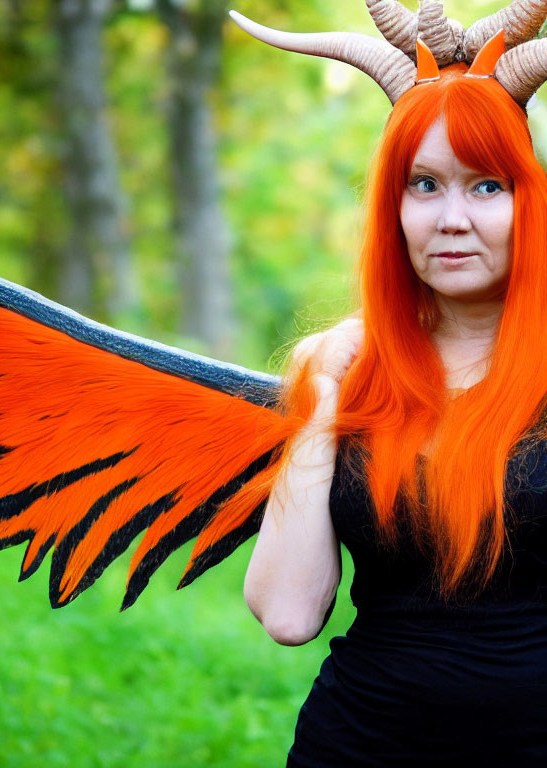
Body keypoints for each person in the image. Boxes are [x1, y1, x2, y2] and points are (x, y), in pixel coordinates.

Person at [235, 2, 547, 765]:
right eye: (424, 184)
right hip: (356, 745)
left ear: (529, 201)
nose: (450, 220)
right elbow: (286, 612)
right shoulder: (346, 376)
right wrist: (317, 400)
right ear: (393, 207)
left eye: (485, 187)